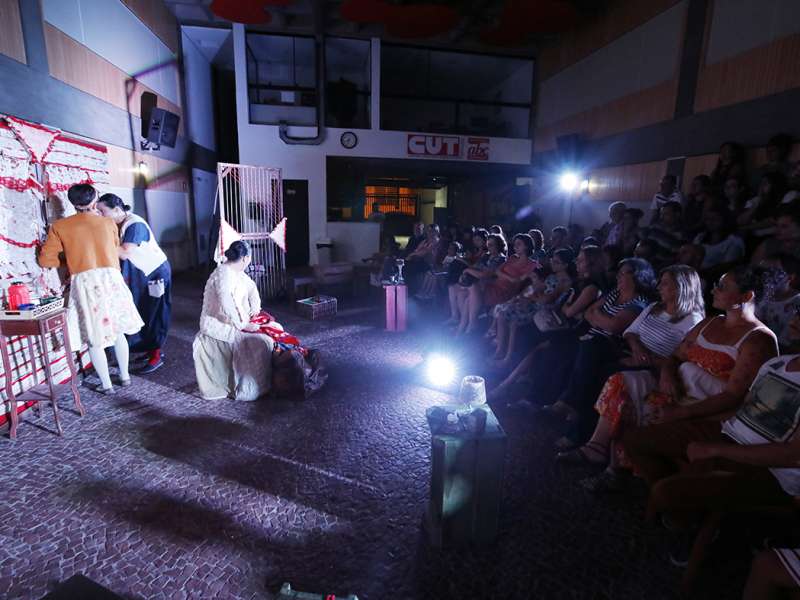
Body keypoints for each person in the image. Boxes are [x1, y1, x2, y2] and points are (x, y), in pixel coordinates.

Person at [638, 316, 800, 568]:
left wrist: (714, 448)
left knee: (666, 492)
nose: (796, 318)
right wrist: (685, 418)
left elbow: (790, 455)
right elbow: (743, 409)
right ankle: (688, 517)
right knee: (639, 440)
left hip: (769, 470)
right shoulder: (779, 363)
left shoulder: (763, 344)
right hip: (730, 436)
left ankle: (697, 522)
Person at [623, 265, 779, 490]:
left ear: (746, 296)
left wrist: (680, 413)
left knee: (639, 435)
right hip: (679, 394)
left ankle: (674, 498)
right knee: (624, 390)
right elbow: (674, 356)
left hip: (712, 415)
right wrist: (668, 374)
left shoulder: (757, 339)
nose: (713, 290)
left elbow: (733, 396)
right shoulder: (711, 322)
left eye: (722, 287)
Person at [557, 266, 705, 489]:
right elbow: (630, 332)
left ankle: (587, 436)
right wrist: (636, 348)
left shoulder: (692, 321)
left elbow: (679, 358)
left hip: (655, 368)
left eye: (665, 283)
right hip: (631, 354)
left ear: (682, 288)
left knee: (607, 374)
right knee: (591, 349)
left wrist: (648, 360)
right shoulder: (655, 307)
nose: (659, 287)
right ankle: (582, 428)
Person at [38, 184, 144, 395]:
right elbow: (114, 248)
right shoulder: (108, 223)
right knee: (118, 330)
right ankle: (125, 376)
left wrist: (69, 260)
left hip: (84, 281)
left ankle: (107, 385)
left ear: (72, 203)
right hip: (111, 278)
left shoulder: (60, 227)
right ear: (94, 199)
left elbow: (45, 260)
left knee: (95, 336)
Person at [542, 258, 655, 444]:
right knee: (558, 345)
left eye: (623, 273)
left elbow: (615, 327)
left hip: (611, 344)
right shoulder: (614, 293)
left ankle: (568, 404)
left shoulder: (640, 302)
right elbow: (588, 312)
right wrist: (601, 318)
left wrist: (599, 317)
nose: (618, 276)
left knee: (591, 351)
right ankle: (549, 401)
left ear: (637, 276)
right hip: (591, 336)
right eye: (618, 272)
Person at [193, 241, 280, 401]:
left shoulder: (237, 272)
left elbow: (252, 288)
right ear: (246, 258)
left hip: (240, 319)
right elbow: (226, 303)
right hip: (219, 324)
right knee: (260, 342)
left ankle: (269, 381)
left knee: (275, 329)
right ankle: (250, 386)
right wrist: (243, 325)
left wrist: (255, 309)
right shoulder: (223, 274)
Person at [97, 194, 171, 374]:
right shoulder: (118, 223)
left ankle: (156, 354)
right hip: (141, 273)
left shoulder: (135, 224)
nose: (99, 215)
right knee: (143, 310)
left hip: (155, 273)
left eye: (102, 211)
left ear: (116, 209)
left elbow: (124, 253)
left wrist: (92, 246)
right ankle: (149, 349)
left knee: (156, 313)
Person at [456, 233, 538, 335]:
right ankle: (463, 327)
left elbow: (524, 279)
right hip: (495, 284)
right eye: (515, 244)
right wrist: (510, 278)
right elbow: (498, 271)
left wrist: (513, 279)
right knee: (469, 295)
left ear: (526, 246)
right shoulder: (513, 258)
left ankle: (471, 325)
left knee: (472, 289)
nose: (515, 246)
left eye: (519, 244)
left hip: (505, 291)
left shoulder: (532, 264)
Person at [756, 253, 800, 352]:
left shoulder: (797, 304)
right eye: (762, 271)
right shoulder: (762, 296)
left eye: (773, 272)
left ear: (790, 277)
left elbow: (786, 345)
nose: (765, 276)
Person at [693, 202, 745, 271]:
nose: (710, 222)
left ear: (724, 219)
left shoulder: (733, 242)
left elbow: (727, 268)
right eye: (708, 219)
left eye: (714, 219)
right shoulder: (700, 237)